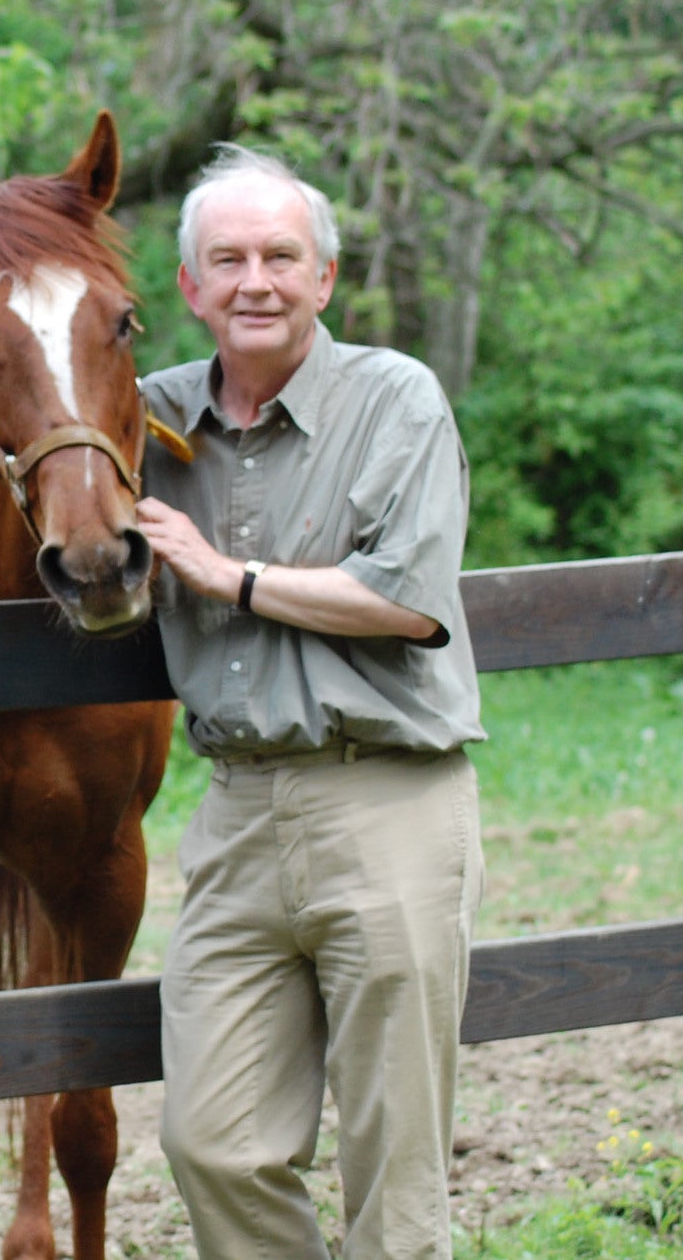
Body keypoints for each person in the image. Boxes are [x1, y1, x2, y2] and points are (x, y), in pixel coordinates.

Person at [135, 146, 486, 1259]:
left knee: (392, 1164)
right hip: (235, 814)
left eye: (280, 257)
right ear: (188, 288)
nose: (255, 281)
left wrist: (220, 574)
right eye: (225, 259)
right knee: (211, 1140)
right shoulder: (146, 422)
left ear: (322, 278)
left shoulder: (393, 399)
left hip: (383, 801)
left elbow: (405, 599)